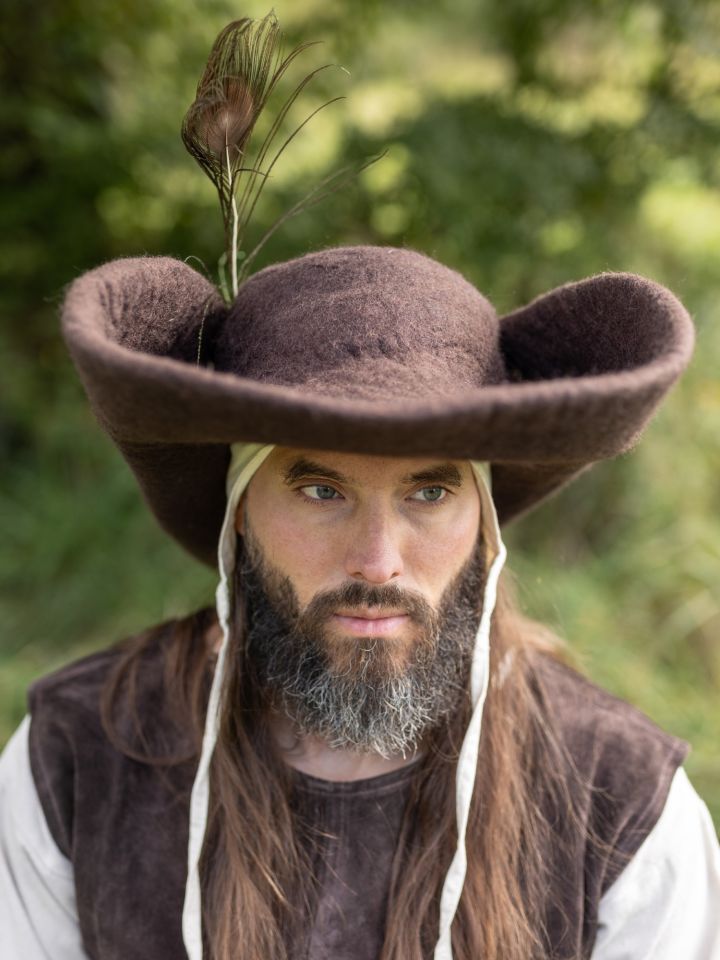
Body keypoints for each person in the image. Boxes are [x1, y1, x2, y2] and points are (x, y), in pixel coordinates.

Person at [1, 243, 719, 960]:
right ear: (241, 510)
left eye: (429, 492)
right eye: (321, 491)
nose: (378, 562)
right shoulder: (75, 756)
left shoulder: (621, 800)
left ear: (481, 523)